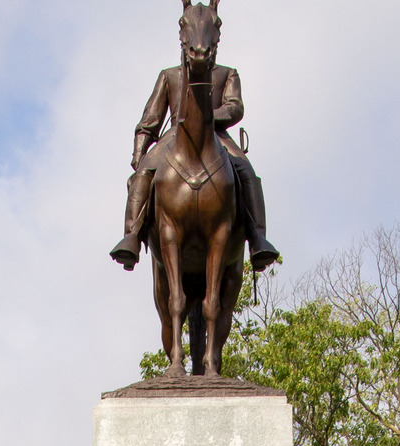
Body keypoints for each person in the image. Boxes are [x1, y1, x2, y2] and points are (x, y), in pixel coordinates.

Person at [109, 34, 280, 274]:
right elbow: (151, 118)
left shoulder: (227, 73)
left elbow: (235, 106)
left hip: (217, 135)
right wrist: (139, 152)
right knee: (145, 172)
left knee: (246, 171)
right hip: (175, 136)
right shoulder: (169, 75)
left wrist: (206, 116)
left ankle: (258, 238)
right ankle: (131, 237)